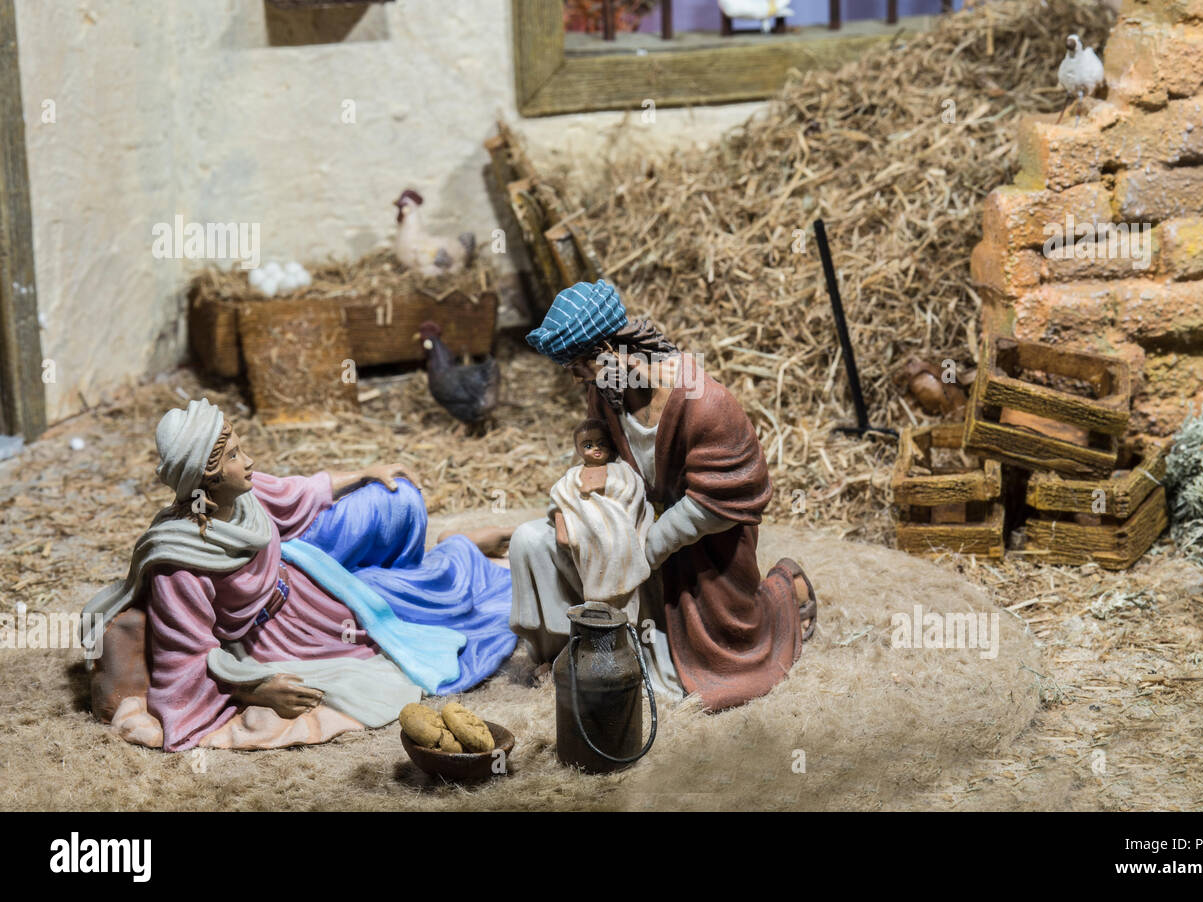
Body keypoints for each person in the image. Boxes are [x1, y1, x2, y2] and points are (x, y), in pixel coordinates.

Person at [80, 398, 516, 752]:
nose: (248, 461)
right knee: (430, 628)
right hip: (279, 637)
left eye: (240, 446)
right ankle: (461, 547)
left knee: (424, 591)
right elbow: (188, 660)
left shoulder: (246, 495)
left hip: (315, 584)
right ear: (207, 478)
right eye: (234, 455)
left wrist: (366, 473)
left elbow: (302, 492)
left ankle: (458, 547)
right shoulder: (180, 563)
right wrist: (256, 689)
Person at [510, 280, 816, 711]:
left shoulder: (705, 404)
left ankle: (785, 593)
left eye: (580, 363)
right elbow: (601, 462)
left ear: (612, 351)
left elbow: (722, 502)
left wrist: (646, 549)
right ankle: (574, 648)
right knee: (531, 542)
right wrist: (570, 506)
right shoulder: (607, 393)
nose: (577, 377)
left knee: (682, 684)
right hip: (631, 526)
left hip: (698, 549)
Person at [550, 418, 654, 616]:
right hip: (581, 524)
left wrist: (602, 487)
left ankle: (615, 603)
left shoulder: (620, 469)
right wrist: (562, 527)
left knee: (615, 544)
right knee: (583, 543)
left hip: (615, 524)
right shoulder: (572, 475)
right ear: (578, 450)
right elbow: (560, 498)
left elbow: (630, 492)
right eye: (588, 445)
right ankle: (598, 604)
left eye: (601, 443)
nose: (596, 449)